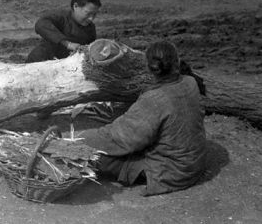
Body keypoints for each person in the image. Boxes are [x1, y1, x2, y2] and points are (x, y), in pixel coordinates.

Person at [78, 40, 207, 196]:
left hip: (174, 171)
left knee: (95, 155)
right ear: (177, 62)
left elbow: (123, 138)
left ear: (149, 67)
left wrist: (81, 139)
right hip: (194, 162)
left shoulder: (155, 99)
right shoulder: (190, 82)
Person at [26, 0, 101, 63]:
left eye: (94, 14)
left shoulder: (90, 28)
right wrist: (68, 44)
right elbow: (41, 24)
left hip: (65, 67)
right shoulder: (60, 17)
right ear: (75, 6)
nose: (91, 18)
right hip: (40, 61)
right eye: (88, 13)